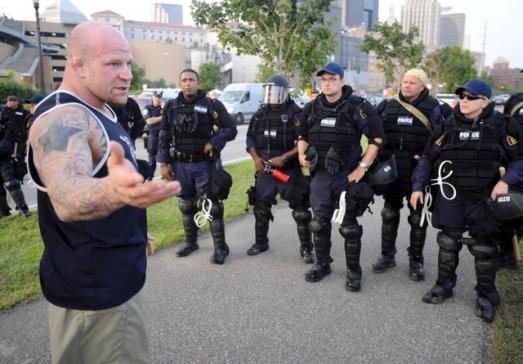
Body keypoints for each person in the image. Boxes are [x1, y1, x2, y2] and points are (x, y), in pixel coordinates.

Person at [27, 21, 181, 363]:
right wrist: (119, 195)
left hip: (111, 279)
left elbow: (103, 182)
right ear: (77, 64)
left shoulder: (104, 109)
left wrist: (132, 225)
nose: (126, 74)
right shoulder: (64, 116)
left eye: (127, 63)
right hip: (96, 297)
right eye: (113, 64)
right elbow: (67, 196)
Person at [410, 79, 523, 322]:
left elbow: (519, 160)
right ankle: (444, 285)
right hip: (452, 195)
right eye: (462, 96)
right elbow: (428, 158)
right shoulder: (447, 126)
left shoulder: (503, 126)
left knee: (483, 247)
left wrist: (506, 181)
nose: (464, 101)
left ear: (485, 101)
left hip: (485, 197)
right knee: (448, 242)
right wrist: (418, 186)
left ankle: (485, 295)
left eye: (471, 97)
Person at [297, 62, 384, 291]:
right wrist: (301, 156)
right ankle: (323, 264)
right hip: (321, 177)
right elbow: (302, 136)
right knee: (318, 223)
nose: (327, 83)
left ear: (342, 81)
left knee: (349, 227)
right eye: (323, 80)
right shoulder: (311, 108)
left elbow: (377, 139)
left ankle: (354, 271)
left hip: (346, 176)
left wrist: (362, 167)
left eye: (332, 79)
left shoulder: (358, 107)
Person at [371, 69, 450, 281]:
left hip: (419, 170)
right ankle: (387, 255)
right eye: (405, 82)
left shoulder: (435, 108)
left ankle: (416, 260)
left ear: (422, 87)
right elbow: (371, 129)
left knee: (418, 218)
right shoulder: (387, 105)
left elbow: (447, 136)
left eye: (412, 83)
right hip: (392, 169)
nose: (406, 86)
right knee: (389, 213)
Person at [157, 68, 237, 264]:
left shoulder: (211, 104)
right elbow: (164, 136)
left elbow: (231, 129)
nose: (188, 83)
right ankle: (191, 242)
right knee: (186, 204)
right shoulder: (171, 107)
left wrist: (214, 142)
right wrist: (163, 162)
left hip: (204, 164)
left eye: (191, 80)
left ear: (198, 83)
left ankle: (221, 248)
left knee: (212, 206)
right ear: (180, 83)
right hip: (180, 164)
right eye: (184, 80)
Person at [245, 74, 314, 263]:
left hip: (288, 169)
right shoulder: (260, 114)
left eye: (274, 91)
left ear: (284, 93)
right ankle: (261, 243)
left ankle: (307, 249)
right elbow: (250, 139)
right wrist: (256, 159)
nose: (270, 96)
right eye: (268, 91)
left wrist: (285, 157)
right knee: (260, 207)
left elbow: (303, 141)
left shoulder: (296, 114)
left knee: (300, 210)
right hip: (265, 169)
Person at [0, 95, 31, 217]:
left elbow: (6, 144)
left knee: (11, 184)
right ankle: (3, 213)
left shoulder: (8, 125)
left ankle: (23, 209)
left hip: (7, 159)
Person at [142, 90, 163, 180]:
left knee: (165, 158)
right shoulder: (147, 108)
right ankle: (150, 178)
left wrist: (164, 108)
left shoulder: (163, 108)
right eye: (156, 97)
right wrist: (162, 117)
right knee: (152, 159)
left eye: (159, 97)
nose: (157, 99)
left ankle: (167, 176)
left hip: (163, 136)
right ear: (152, 97)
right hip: (153, 136)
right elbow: (149, 121)